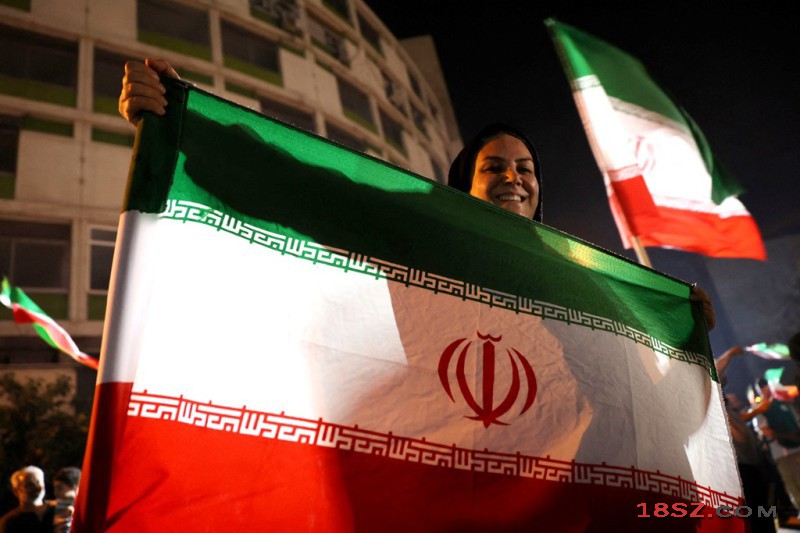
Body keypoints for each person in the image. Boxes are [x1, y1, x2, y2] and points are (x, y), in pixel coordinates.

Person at [117, 58, 716, 327]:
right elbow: (309, 191)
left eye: (526, 169)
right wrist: (186, 122)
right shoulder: (423, 234)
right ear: (463, 183)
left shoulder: (575, 275)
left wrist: (677, 320)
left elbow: (635, 378)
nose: (513, 178)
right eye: (494, 168)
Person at [716, 347, 777, 532]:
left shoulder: (723, 402)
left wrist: (760, 407)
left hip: (749, 463)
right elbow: (714, 370)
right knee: (754, 513)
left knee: (761, 509)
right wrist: (730, 353)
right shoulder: (711, 395)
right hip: (739, 466)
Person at [0, 466, 54, 533]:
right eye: (29, 485)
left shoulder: (58, 509)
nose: (37, 488)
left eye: (38, 482)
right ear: (16, 492)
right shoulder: (9, 522)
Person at [50, 467, 80, 533]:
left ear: (74, 488)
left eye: (60, 488)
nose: (55, 493)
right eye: (55, 488)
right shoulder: (51, 508)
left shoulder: (84, 509)